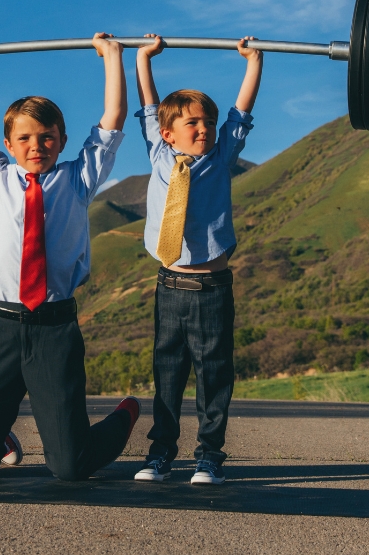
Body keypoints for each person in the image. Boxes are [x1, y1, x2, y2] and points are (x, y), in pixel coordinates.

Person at [0, 33, 141, 481]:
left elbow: (112, 121)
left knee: (71, 468)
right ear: (9, 144)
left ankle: (125, 416)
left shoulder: (79, 179)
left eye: (48, 137)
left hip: (55, 330)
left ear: (62, 140)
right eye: (26, 138)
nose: (37, 145)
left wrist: (112, 57)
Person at [131, 34, 263, 485]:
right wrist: (143, 59)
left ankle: (209, 456)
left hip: (212, 290)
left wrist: (252, 62)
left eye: (207, 121)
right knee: (166, 374)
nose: (203, 129)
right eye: (192, 123)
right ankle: (160, 453)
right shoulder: (158, 152)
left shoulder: (222, 156)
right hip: (168, 288)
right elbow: (149, 105)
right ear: (169, 134)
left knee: (213, 375)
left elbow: (240, 114)